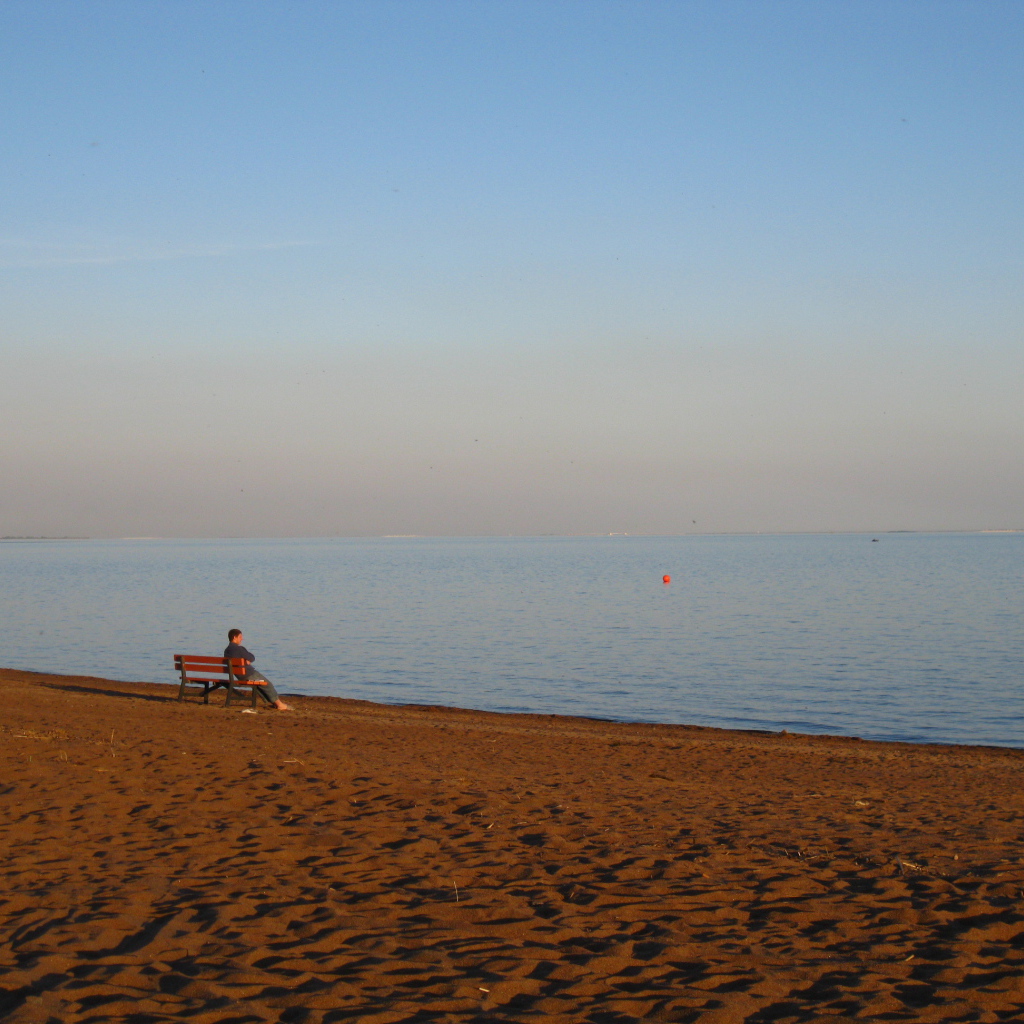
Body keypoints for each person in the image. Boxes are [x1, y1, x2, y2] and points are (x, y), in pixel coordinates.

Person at [224, 629, 291, 710]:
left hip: (238, 675)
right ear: (234, 637)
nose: (242, 639)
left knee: (261, 685)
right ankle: (280, 705)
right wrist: (246, 660)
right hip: (248, 674)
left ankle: (274, 703)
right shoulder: (239, 649)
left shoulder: (227, 650)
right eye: (240, 637)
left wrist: (245, 660)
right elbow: (252, 657)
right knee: (267, 684)